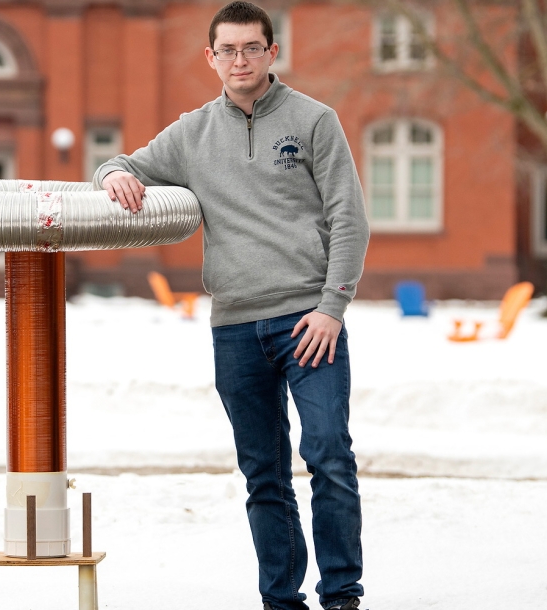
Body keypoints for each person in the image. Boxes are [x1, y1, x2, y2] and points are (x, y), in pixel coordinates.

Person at [92, 3, 371, 609]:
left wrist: (332, 308)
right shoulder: (192, 133)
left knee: (328, 456)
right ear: (212, 57)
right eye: (228, 50)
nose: (239, 60)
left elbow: (349, 218)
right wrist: (113, 174)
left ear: (273, 52)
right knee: (264, 477)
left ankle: (343, 596)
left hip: (308, 321)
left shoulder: (315, 120)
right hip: (236, 328)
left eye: (251, 48)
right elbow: (119, 163)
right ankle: (280, 600)